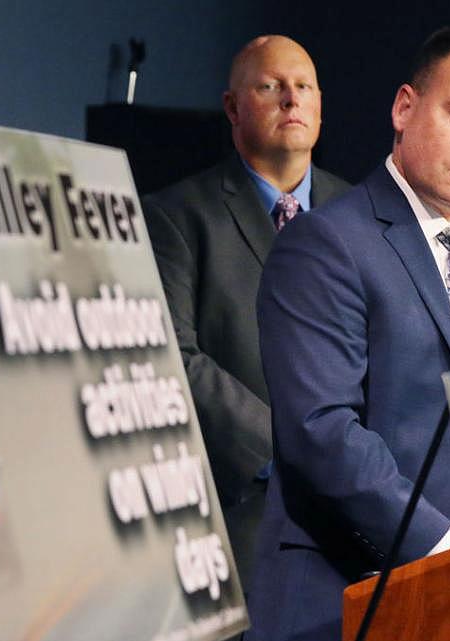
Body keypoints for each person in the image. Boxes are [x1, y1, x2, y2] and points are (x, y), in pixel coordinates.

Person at [248, 27, 450, 641]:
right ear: (405, 108)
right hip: (345, 597)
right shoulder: (326, 243)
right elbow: (321, 431)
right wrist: (443, 545)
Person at [142, 35, 350, 594]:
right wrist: (290, 450)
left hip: (360, 517)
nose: (292, 99)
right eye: (270, 86)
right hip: (247, 518)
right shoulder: (175, 215)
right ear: (233, 108)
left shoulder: (359, 212)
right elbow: (174, 357)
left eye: (304, 86)